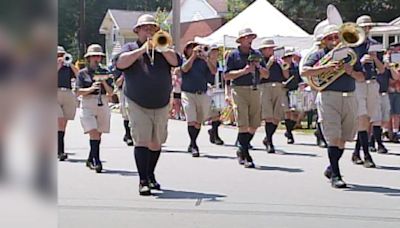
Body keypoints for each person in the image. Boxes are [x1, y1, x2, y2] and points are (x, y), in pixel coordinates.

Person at [116, 14, 181, 195]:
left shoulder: (164, 48)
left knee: (157, 142)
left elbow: (176, 62)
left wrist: (161, 48)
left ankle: (150, 174)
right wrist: (141, 50)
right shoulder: (130, 47)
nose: (149, 31)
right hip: (137, 102)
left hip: (160, 102)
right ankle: (142, 180)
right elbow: (120, 64)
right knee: (142, 141)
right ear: (137, 31)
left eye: (152, 28)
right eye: (145, 28)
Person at [302, 24, 364, 188]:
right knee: (333, 137)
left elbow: (362, 77)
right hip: (329, 96)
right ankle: (336, 175)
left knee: (344, 139)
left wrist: (350, 71)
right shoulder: (319, 55)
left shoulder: (351, 54)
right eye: (330, 38)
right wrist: (325, 68)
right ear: (324, 41)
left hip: (349, 97)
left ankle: (332, 167)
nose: (334, 40)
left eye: (337, 37)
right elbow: (305, 72)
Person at [225, 28, 267, 168]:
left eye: (251, 37)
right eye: (247, 37)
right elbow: (226, 75)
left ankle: (241, 149)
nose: (249, 40)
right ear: (241, 40)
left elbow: (266, 74)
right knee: (243, 122)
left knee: (254, 124)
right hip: (239, 90)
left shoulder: (256, 54)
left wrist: (259, 68)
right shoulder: (233, 55)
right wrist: (243, 72)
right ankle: (246, 154)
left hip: (254, 89)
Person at [352, 15, 386, 168]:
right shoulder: (352, 45)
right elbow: (346, 67)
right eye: (363, 27)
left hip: (372, 83)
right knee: (362, 117)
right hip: (358, 83)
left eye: (368, 27)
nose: (366, 30)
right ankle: (366, 154)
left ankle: (356, 151)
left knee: (368, 119)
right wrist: (360, 62)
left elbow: (382, 69)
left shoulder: (375, 45)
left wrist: (374, 58)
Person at [75, 44, 114, 173]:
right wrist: (91, 89)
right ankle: (96, 160)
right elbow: (78, 91)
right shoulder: (82, 73)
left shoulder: (106, 72)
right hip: (88, 102)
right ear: (89, 58)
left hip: (102, 101)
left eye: (98, 56)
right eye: (94, 57)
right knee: (93, 130)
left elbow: (111, 92)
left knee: (99, 132)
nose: (96, 59)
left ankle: (91, 157)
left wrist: (103, 81)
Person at [180, 41, 218, 157]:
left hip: (202, 93)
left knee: (198, 122)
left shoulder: (203, 61)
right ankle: (194, 144)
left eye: (195, 47)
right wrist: (193, 57)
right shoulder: (185, 60)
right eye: (190, 47)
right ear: (186, 50)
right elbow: (184, 69)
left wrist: (207, 59)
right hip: (188, 93)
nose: (194, 49)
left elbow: (214, 71)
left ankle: (192, 144)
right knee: (191, 119)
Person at [258, 39, 289, 152]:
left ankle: (267, 138)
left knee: (277, 117)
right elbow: (260, 76)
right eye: (269, 48)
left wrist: (283, 66)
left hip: (279, 87)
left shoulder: (279, 61)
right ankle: (270, 141)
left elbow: (286, 75)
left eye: (272, 48)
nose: (272, 51)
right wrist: (269, 63)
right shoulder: (260, 60)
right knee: (268, 116)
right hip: (265, 87)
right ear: (263, 50)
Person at [370, 49, 400, 152]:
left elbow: (395, 77)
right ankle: (374, 142)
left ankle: (377, 139)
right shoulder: (371, 64)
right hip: (374, 94)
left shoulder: (386, 66)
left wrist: (390, 67)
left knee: (384, 118)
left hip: (384, 94)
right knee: (375, 119)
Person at [57, 46, 79, 161]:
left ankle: (58, 147)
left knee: (63, 123)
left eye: (61, 55)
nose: (60, 57)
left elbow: (79, 75)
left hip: (67, 92)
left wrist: (70, 64)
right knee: (59, 121)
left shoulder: (67, 67)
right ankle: (60, 151)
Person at [282, 49, 302, 144]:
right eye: (286, 57)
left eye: (290, 56)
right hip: (284, 90)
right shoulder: (282, 66)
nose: (288, 59)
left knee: (296, 113)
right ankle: (289, 134)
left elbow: (300, 78)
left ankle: (289, 130)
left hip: (295, 90)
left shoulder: (296, 66)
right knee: (287, 111)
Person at [113, 64, 134, 146]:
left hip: (136, 91)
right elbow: (117, 84)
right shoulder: (119, 69)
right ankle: (128, 135)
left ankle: (133, 134)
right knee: (126, 113)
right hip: (123, 92)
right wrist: (123, 75)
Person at [387, 42, 400, 142]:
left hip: (398, 89)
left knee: (396, 113)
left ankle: (395, 132)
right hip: (389, 89)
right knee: (388, 113)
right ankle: (388, 132)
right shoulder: (387, 60)